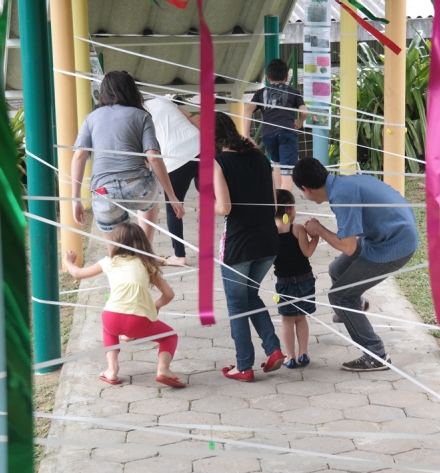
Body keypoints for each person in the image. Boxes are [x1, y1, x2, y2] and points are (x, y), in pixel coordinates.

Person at [292, 157, 418, 372]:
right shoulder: (343, 183)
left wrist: (319, 229)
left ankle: (376, 354)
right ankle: (355, 307)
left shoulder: (341, 196)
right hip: (383, 236)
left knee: (340, 296)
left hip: (394, 245)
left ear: (306, 189)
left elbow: (347, 247)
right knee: (336, 270)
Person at [62, 222, 183, 388]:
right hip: (139, 321)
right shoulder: (147, 265)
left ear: (115, 242)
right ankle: (163, 368)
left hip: (112, 317)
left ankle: (112, 370)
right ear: (143, 244)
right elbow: (169, 294)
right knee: (169, 336)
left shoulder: (109, 261)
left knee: (108, 331)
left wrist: (68, 261)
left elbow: (77, 273)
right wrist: (156, 305)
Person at [71, 71, 184, 245]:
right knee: (149, 191)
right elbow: (153, 157)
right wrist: (172, 196)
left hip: (104, 191)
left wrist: (75, 199)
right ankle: (145, 249)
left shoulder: (91, 119)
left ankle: (121, 260)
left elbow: (79, 157)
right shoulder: (142, 116)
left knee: (117, 256)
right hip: (138, 186)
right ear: (131, 90)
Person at [214, 112, 286, 381]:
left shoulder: (218, 162)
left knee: (236, 304)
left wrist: (203, 205)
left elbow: (224, 208)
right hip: (268, 242)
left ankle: (244, 365)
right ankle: (274, 349)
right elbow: (275, 206)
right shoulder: (260, 158)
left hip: (239, 246)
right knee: (250, 297)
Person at [145, 96, 201, 265]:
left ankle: (179, 255)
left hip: (176, 158)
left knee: (173, 207)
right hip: (200, 146)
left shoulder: (137, 112)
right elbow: (191, 118)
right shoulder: (163, 100)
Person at [243, 58, 308, 191]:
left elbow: (247, 111)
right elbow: (304, 111)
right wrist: (299, 121)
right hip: (287, 133)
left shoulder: (260, 93)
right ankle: (285, 208)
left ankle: (280, 202)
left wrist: (246, 135)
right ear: (287, 77)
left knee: (277, 165)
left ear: (268, 77)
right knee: (288, 174)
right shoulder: (293, 92)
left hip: (268, 135)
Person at [273, 189, 319, 369]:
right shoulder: (298, 228)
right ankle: (304, 353)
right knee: (301, 318)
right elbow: (307, 252)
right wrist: (315, 237)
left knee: (287, 319)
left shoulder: (269, 231)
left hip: (284, 282)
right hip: (305, 279)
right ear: (291, 209)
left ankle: (290, 356)